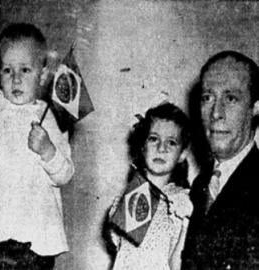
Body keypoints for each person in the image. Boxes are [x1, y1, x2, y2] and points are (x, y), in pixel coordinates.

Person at [0, 22, 74, 269]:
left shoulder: (47, 117)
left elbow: (64, 174)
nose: (16, 79)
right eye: (8, 71)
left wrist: (47, 150)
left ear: (42, 76)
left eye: (25, 70)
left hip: (35, 237)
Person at [182, 51, 259, 269]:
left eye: (230, 98)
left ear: (255, 108)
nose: (216, 113)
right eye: (207, 98)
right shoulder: (199, 188)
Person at [108, 102, 193, 270]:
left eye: (171, 142)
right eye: (154, 139)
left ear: (182, 154)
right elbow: (122, 255)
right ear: (142, 146)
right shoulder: (128, 198)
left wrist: (187, 222)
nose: (161, 148)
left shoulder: (184, 202)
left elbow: (178, 266)